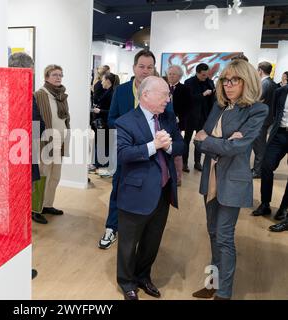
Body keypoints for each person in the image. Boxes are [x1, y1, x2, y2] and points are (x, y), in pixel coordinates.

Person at [192, 59, 268, 300]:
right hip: (211, 178)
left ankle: (224, 293)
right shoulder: (218, 106)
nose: (228, 85)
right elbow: (197, 140)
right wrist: (223, 143)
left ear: (248, 81)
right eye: (225, 80)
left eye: (235, 80)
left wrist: (211, 141)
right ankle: (212, 283)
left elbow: (237, 147)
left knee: (224, 237)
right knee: (212, 233)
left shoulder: (257, 109)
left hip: (232, 182)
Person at [115, 76, 184, 300]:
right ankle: (127, 283)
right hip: (135, 194)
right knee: (128, 244)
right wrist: (153, 146)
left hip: (163, 192)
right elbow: (123, 154)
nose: (168, 98)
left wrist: (171, 145)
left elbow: (180, 144)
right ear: (146, 95)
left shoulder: (168, 117)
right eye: (164, 94)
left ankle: (143, 276)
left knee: (152, 241)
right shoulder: (125, 121)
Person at [98, 49, 156, 250]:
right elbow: (111, 118)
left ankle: (138, 232)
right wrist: (129, 128)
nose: (145, 71)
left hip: (151, 154)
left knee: (145, 193)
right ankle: (111, 227)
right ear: (134, 68)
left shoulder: (161, 90)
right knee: (118, 188)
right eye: (141, 66)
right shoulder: (121, 91)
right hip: (124, 152)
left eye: (149, 67)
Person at [8, 52, 45, 278]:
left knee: (16, 218)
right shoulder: (22, 94)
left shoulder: (0, 92)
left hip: (15, 163)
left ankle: (15, 264)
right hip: (20, 164)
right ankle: (18, 266)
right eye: (30, 72)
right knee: (19, 220)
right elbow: (36, 128)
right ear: (25, 71)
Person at [34, 65, 70, 217]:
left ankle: (48, 204)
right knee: (43, 175)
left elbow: (66, 119)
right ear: (46, 77)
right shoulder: (39, 94)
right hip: (45, 143)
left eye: (60, 75)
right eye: (55, 74)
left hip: (59, 142)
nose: (58, 77)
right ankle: (35, 209)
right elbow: (35, 121)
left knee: (55, 176)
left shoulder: (62, 96)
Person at [252, 84, 288, 219]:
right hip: (278, 134)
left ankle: (284, 208)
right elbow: (274, 114)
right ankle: (265, 203)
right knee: (266, 167)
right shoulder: (280, 92)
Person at [183, 63, 215, 172]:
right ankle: (184, 163)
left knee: (200, 140)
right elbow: (188, 100)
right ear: (197, 73)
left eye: (206, 74)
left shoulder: (210, 82)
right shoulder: (188, 83)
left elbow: (212, 100)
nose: (205, 77)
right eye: (203, 75)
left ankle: (197, 162)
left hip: (204, 117)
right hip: (190, 117)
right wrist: (203, 94)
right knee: (186, 140)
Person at [166, 65, 193, 186]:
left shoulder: (185, 89)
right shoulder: (163, 87)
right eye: (169, 73)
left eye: (174, 74)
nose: (171, 76)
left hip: (177, 124)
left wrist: (179, 118)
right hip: (162, 122)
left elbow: (188, 108)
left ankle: (177, 177)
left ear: (180, 76)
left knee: (176, 151)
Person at [251, 61, 278, 179]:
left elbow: (257, 99)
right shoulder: (271, 83)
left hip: (262, 119)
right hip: (266, 118)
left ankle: (257, 171)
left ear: (260, 70)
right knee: (259, 145)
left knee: (259, 146)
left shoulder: (265, 83)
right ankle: (257, 169)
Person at [92, 72, 117, 169]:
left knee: (103, 143)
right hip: (103, 122)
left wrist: (100, 110)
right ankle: (100, 163)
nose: (101, 82)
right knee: (102, 143)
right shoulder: (108, 92)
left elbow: (112, 111)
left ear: (108, 81)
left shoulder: (111, 93)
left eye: (103, 80)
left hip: (105, 123)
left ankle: (100, 163)